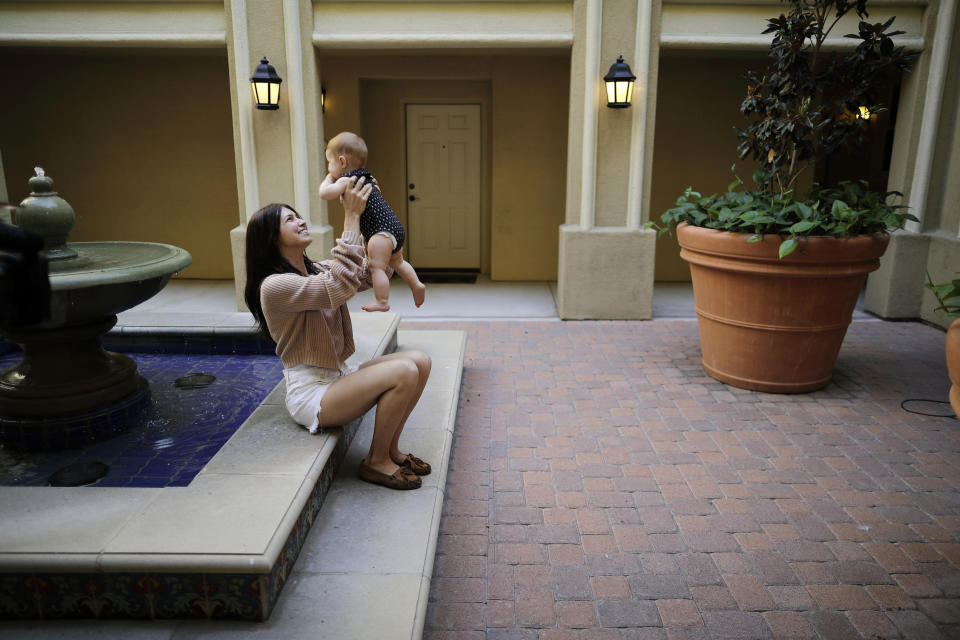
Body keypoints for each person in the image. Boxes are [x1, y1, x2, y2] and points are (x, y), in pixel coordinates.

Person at [244, 176, 432, 490]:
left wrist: (376, 220)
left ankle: (391, 451)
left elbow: (373, 274)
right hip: (312, 393)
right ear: (270, 239)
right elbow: (337, 286)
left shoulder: (316, 269)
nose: (301, 221)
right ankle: (376, 463)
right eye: (290, 219)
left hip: (339, 376)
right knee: (403, 370)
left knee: (420, 361)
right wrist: (351, 216)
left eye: (298, 215)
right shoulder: (274, 286)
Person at [318, 131, 425, 312]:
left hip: (380, 232)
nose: (329, 167)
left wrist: (329, 177)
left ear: (342, 162)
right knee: (397, 262)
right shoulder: (367, 177)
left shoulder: (346, 180)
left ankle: (382, 300)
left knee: (377, 268)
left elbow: (325, 193)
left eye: (330, 163)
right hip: (394, 227)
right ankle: (416, 284)